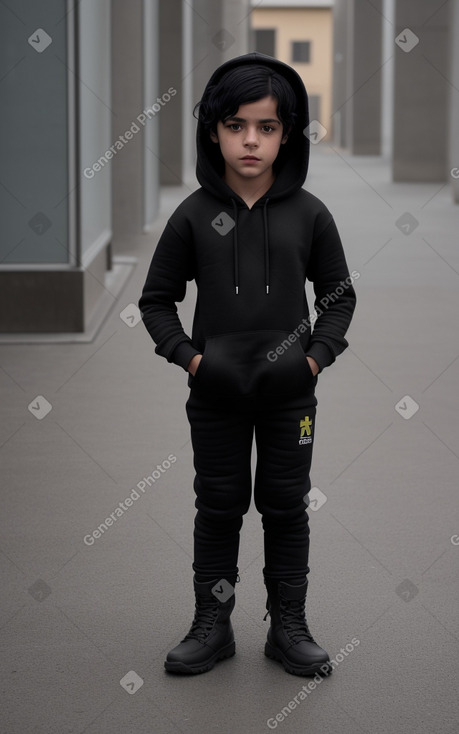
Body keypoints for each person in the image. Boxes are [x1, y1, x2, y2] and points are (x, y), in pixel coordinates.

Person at [138, 51, 356, 677]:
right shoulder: (193, 215)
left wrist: (314, 360)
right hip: (215, 395)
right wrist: (191, 360)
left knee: (286, 506)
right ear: (214, 130)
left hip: (292, 399)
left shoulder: (310, 214)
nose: (251, 140)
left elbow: (339, 298)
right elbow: (156, 301)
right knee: (220, 506)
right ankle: (213, 626)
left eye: (266, 127)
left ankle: (289, 626)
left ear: (287, 132)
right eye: (235, 125)